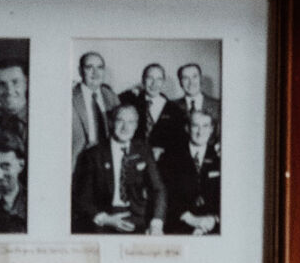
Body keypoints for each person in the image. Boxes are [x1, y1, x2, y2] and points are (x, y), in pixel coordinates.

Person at [73, 100, 165, 234]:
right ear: (111, 122)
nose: (125, 127)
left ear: (136, 126)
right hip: (105, 218)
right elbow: (82, 197)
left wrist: (156, 223)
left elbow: (158, 189)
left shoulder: (143, 150)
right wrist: (105, 219)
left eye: (131, 122)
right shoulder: (93, 154)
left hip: (137, 218)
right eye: (120, 121)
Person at [162, 104, 221, 235]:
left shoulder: (220, 157)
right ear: (187, 128)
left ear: (211, 129)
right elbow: (166, 194)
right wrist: (190, 219)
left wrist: (214, 219)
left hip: (212, 224)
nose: (200, 132)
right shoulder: (171, 156)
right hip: (180, 222)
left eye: (205, 126)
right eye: (195, 126)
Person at [71, 50, 118, 163]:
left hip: (107, 161)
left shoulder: (111, 96)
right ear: (80, 71)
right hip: (79, 162)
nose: (95, 72)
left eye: (100, 67)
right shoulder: (69, 97)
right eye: (89, 67)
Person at [0, 56, 30, 148]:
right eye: (1, 84)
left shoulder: (42, 119)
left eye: (15, 82)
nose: (9, 91)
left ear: (26, 83)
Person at [175, 59, 221, 135]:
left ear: (201, 79)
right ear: (180, 82)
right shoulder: (171, 107)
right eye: (185, 78)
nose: (191, 82)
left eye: (194, 77)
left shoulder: (217, 106)